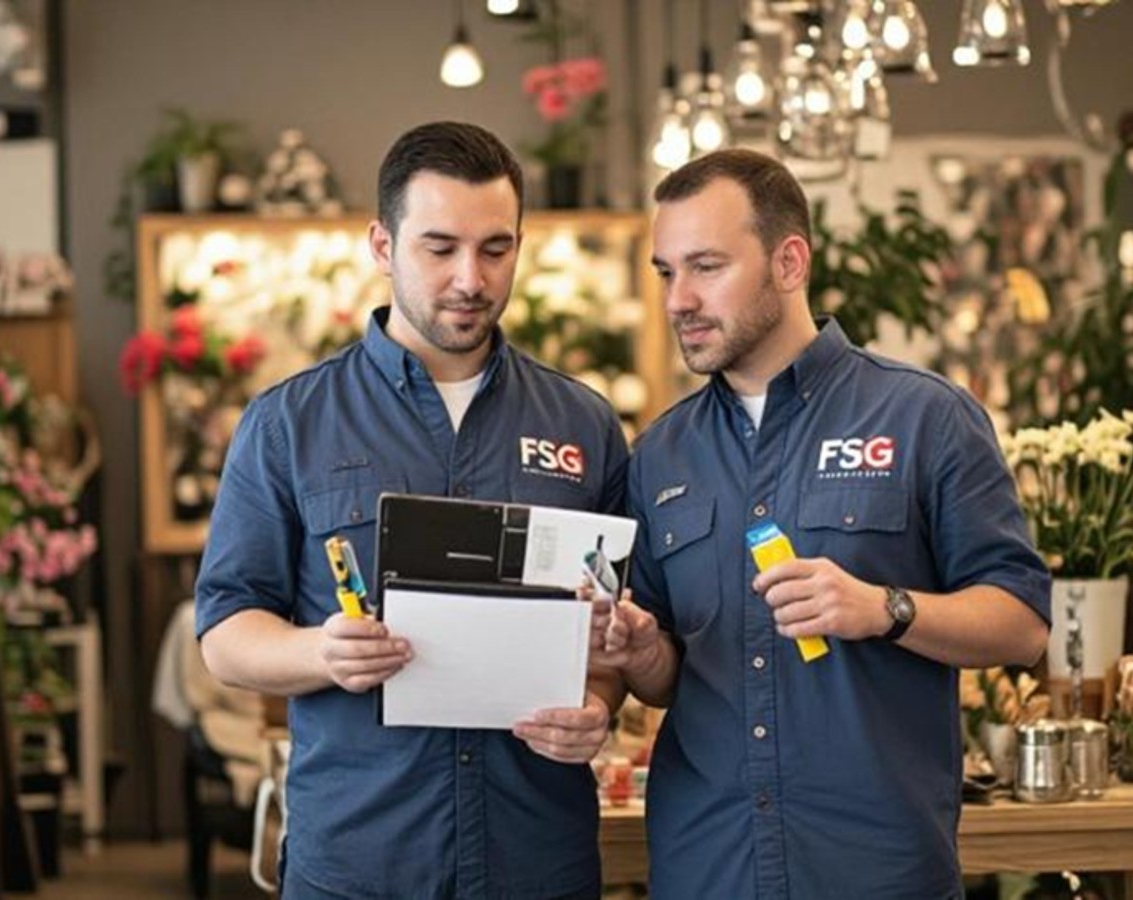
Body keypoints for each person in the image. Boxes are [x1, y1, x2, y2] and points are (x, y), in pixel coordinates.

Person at [600, 148, 1050, 899]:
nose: (678, 299)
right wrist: (642, 651)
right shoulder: (658, 454)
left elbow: (1023, 623)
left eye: (706, 266)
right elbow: (666, 675)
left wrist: (884, 609)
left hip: (874, 869)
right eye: (665, 272)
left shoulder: (924, 417)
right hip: (708, 868)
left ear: (789, 261)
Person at [195, 121, 628, 899]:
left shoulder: (583, 424)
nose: (471, 277)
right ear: (382, 245)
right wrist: (319, 653)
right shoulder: (288, 423)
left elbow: (615, 628)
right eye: (440, 248)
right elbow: (225, 637)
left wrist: (599, 703)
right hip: (363, 859)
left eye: (496, 249)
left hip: (535, 860)